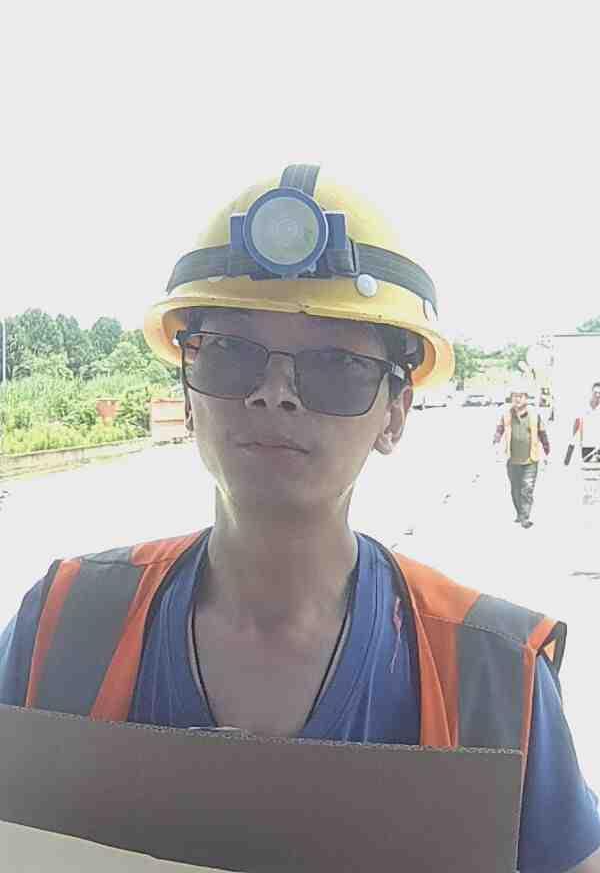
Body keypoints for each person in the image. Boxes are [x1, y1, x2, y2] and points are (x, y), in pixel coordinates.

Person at [1, 165, 599, 873]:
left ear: (395, 413)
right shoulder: (62, 624)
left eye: (336, 366)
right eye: (230, 354)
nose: (274, 394)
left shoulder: (494, 675)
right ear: (188, 393)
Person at [493, 380, 551, 528]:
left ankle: (525, 517)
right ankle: (519, 513)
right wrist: (496, 442)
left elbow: (542, 433)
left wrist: (547, 450)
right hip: (512, 460)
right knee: (515, 490)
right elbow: (499, 430)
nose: (517, 399)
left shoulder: (534, 415)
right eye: (515, 396)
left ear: (526, 398)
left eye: (520, 396)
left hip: (531, 459)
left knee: (527, 489)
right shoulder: (506, 415)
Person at [565, 382, 600, 465]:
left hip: (598, 444)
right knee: (587, 468)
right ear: (592, 392)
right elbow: (577, 423)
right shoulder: (583, 406)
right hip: (587, 444)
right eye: (595, 393)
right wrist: (568, 457)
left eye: (599, 393)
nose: (598, 395)